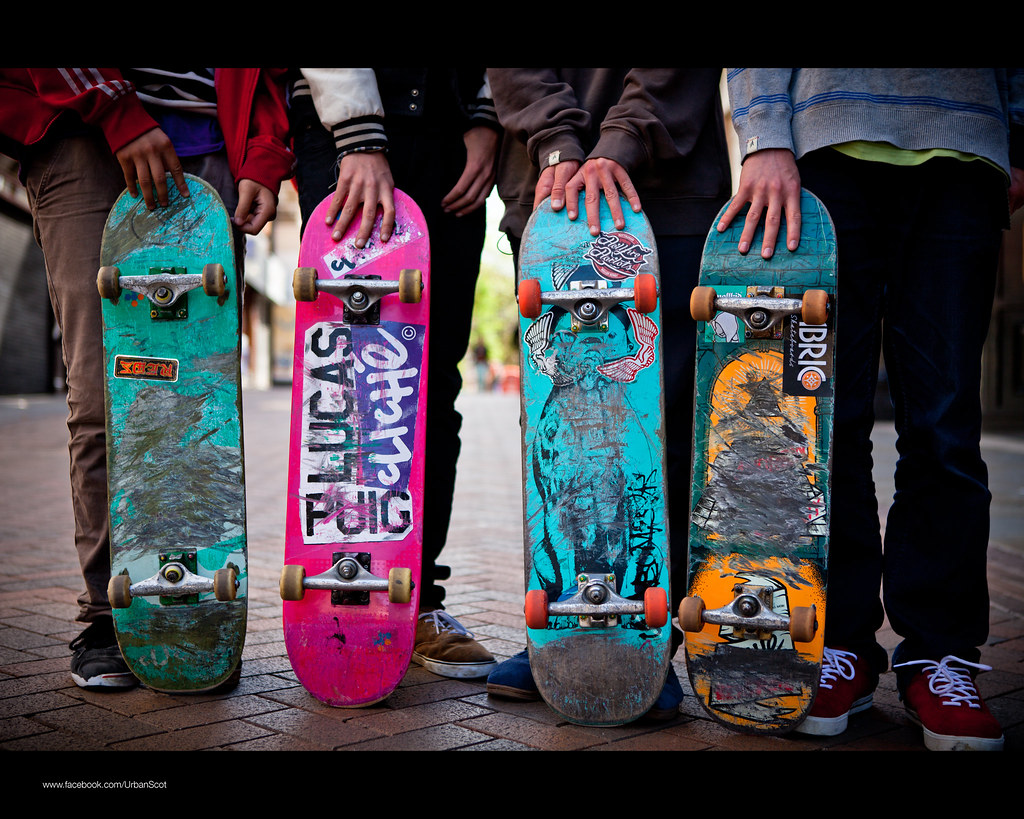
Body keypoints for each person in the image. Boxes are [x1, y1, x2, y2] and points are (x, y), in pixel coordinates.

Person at [720, 68, 1024, 750]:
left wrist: (1019, 135)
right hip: (827, 152)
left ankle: (940, 654)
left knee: (946, 425)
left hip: (966, 148)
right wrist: (764, 134)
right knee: (825, 422)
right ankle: (841, 643)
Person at [0, 68, 294, 690]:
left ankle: (196, 605)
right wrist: (117, 111)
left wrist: (264, 151)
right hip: (81, 131)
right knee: (106, 392)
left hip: (212, 139)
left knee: (200, 399)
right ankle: (111, 610)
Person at [484, 68, 732, 719]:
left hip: (665, 186)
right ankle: (565, 631)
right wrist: (558, 144)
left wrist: (620, 142)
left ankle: (650, 641)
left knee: (655, 435)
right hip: (552, 194)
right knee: (560, 443)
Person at [288, 68, 501, 679]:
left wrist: (487, 118)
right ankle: (343, 590)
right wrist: (358, 135)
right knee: (343, 382)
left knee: (432, 382)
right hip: (344, 133)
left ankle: (417, 599)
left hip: (451, 136)